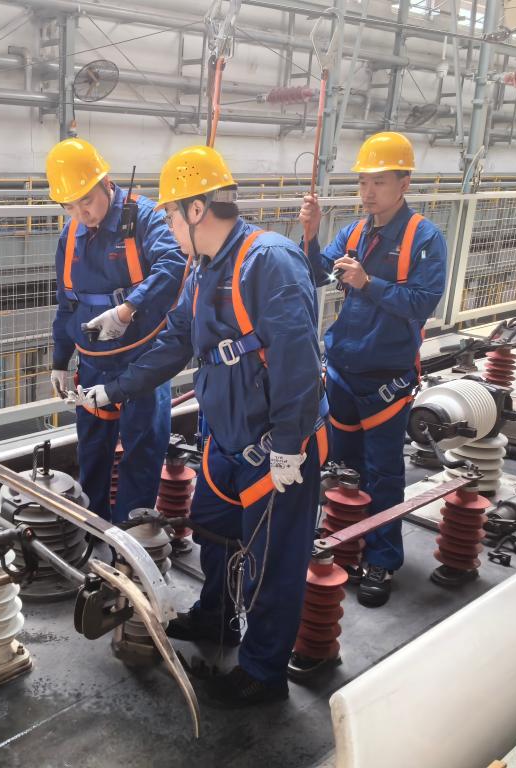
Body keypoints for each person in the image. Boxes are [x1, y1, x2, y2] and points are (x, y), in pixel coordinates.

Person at [76, 145, 327, 707]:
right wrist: (114, 389)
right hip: (226, 438)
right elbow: (175, 341)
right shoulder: (204, 268)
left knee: (273, 561)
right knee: (215, 531)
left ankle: (262, 672)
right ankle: (218, 618)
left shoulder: (270, 262)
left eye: (170, 214)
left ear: (196, 210)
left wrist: (290, 446)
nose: (167, 225)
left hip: (273, 448)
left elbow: (298, 361)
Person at [298, 131, 447, 610]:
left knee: (383, 473)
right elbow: (315, 274)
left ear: (404, 184)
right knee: (342, 469)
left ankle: (382, 558)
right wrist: (310, 235)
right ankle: (341, 543)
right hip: (343, 368)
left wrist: (368, 283)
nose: (368, 192)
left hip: (386, 377)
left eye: (379, 182)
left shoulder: (424, 238)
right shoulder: (354, 233)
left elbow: (422, 303)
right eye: (363, 182)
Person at [47, 138, 188, 524]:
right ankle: (92, 530)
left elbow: (175, 263)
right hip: (93, 364)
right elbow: (67, 303)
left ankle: (133, 535)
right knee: (92, 450)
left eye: (86, 201)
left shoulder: (144, 218)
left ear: (106, 183)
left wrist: (127, 309)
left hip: (142, 362)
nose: (82, 213)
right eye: (70, 206)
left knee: (142, 452)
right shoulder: (70, 236)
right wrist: (59, 360)